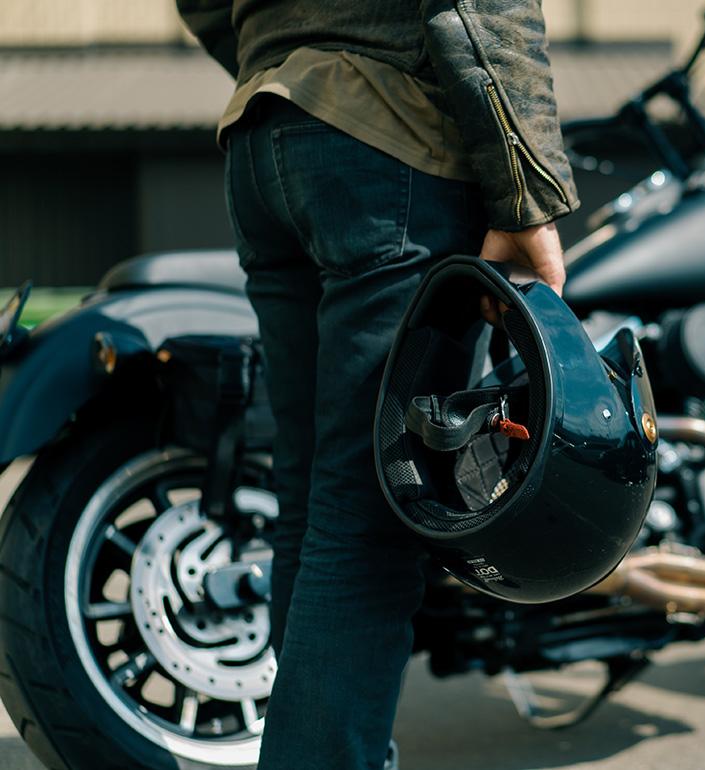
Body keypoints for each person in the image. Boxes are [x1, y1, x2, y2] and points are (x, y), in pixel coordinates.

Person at [175, 2, 579, 768]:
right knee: (369, 517)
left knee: (316, 507)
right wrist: (525, 192)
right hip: (387, 141)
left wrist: (288, 50)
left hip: (268, 134)